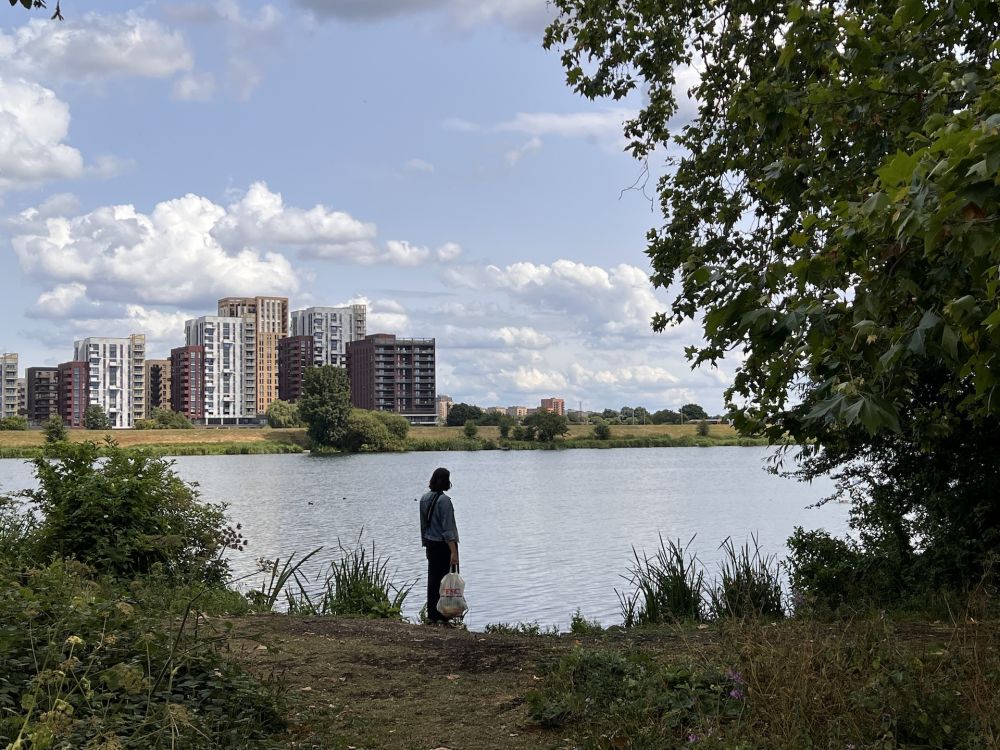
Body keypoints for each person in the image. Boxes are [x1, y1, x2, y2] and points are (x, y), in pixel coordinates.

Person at [419, 467, 459, 624]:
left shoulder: (424, 498)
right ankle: (443, 616)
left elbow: (423, 525)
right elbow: (448, 529)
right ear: (446, 482)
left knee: (433, 580)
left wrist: (425, 544)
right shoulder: (445, 501)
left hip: (430, 544)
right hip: (443, 546)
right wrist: (454, 552)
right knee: (444, 581)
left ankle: (432, 616)